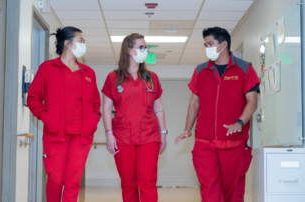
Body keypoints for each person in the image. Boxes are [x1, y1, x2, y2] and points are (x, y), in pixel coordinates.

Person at [175, 27, 259, 202]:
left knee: (233, 190)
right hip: (204, 141)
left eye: (210, 43)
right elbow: (194, 102)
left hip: (233, 140)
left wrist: (239, 122)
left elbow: (252, 101)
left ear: (224, 44)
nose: (207, 47)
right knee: (209, 189)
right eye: (205, 44)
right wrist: (187, 128)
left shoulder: (245, 69)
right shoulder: (200, 70)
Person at [27, 26, 101, 202]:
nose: (84, 44)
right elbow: (33, 98)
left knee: (73, 181)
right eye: (81, 41)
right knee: (55, 179)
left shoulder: (88, 72)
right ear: (67, 43)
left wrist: (94, 119)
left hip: (82, 136)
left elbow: (96, 103)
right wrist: (47, 117)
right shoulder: (47, 68)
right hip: (55, 134)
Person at [102, 33, 167, 202]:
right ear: (130, 50)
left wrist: (163, 133)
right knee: (128, 183)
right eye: (141, 47)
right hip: (122, 137)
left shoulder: (151, 77)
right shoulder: (113, 77)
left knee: (147, 182)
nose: (145, 50)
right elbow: (107, 108)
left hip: (149, 136)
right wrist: (108, 133)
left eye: (146, 47)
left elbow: (158, 108)